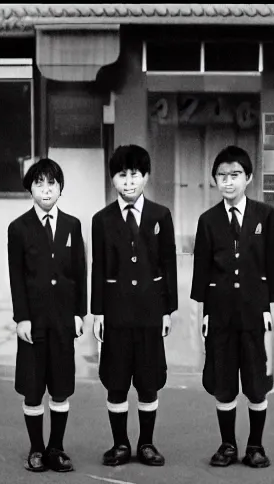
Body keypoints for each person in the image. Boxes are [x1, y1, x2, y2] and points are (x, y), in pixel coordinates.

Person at [190, 145, 274, 469]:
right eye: (221, 176)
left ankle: (256, 446)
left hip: (255, 312)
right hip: (220, 315)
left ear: (248, 178)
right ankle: (227, 445)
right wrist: (202, 315)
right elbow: (200, 274)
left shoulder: (266, 216)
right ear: (215, 180)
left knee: (257, 383)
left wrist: (272, 311)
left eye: (234, 175)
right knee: (224, 382)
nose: (228, 182)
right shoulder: (208, 221)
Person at [91, 144, 178, 467]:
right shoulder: (101, 220)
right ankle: (120, 445)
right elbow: (98, 267)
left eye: (135, 175)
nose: (129, 182)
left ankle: (146, 443)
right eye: (122, 175)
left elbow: (168, 265)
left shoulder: (160, 215)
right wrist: (97, 312)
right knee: (116, 381)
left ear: (146, 177)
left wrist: (168, 310)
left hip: (150, 312)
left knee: (148, 379)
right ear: (113, 179)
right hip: (114, 313)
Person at [7, 158, 87, 473]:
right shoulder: (19, 228)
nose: (45, 189)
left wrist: (80, 313)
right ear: (30, 189)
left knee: (61, 387)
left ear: (60, 188)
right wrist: (21, 318)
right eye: (39, 183)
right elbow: (16, 277)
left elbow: (80, 272)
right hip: (34, 323)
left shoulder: (72, 225)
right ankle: (37, 448)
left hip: (63, 321)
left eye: (51, 183)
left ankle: (56, 448)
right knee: (33, 388)